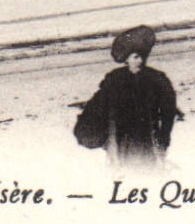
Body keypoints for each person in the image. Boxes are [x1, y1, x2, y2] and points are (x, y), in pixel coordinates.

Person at [74, 25, 182, 168]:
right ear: (126, 59)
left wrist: (163, 140)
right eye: (135, 57)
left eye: (142, 57)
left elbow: (168, 108)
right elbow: (100, 104)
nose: (139, 61)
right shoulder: (115, 79)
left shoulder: (156, 78)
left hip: (148, 138)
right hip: (122, 139)